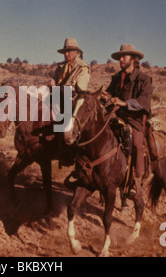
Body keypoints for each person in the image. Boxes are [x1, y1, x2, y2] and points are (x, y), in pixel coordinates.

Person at [102, 44, 153, 197]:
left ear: (134, 59)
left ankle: (134, 180)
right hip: (116, 116)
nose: (121, 60)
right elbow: (110, 93)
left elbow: (144, 103)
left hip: (134, 119)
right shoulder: (117, 77)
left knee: (135, 143)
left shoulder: (144, 79)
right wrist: (106, 97)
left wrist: (123, 103)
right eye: (120, 58)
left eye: (124, 57)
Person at [49, 38, 91, 167]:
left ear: (77, 52)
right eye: (65, 52)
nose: (67, 54)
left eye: (70, 51)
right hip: (59, 97)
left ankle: (68, 153)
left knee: (67, 121)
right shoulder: (60, 67)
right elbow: (54, 79)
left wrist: (57, 88)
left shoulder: (83, 67)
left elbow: (78, 88)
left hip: (74, 100)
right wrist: (51, 83)